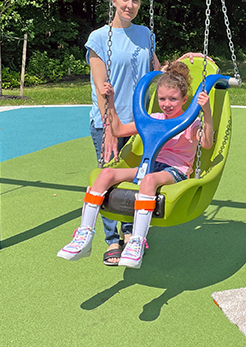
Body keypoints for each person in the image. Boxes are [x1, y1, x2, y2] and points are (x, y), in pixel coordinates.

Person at [85, 0, 204, 265]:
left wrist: (185, 61)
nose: (130, 4)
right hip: (111, 121)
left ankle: (131, 236)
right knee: (111, 178)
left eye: (135, 0)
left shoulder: (145, 34)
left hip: (145, 122)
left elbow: (160, 72)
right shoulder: (99, 38)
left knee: (141, 175)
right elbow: (101, 88)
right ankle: (113, 240)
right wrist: (109, 127)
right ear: (114, 0)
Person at [58, 62, 214, 269]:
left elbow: (206, 143)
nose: (167, 104)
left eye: (173, 99)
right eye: (162, 99)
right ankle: (84, 234)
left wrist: (206, 112)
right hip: (150, 165)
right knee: (104, 175)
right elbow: (118, 130)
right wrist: (110, 101)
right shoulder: (154, 119)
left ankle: (136, 242)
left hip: (175, 171)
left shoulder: (191, 122)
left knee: (149, 180)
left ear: (185, 99)